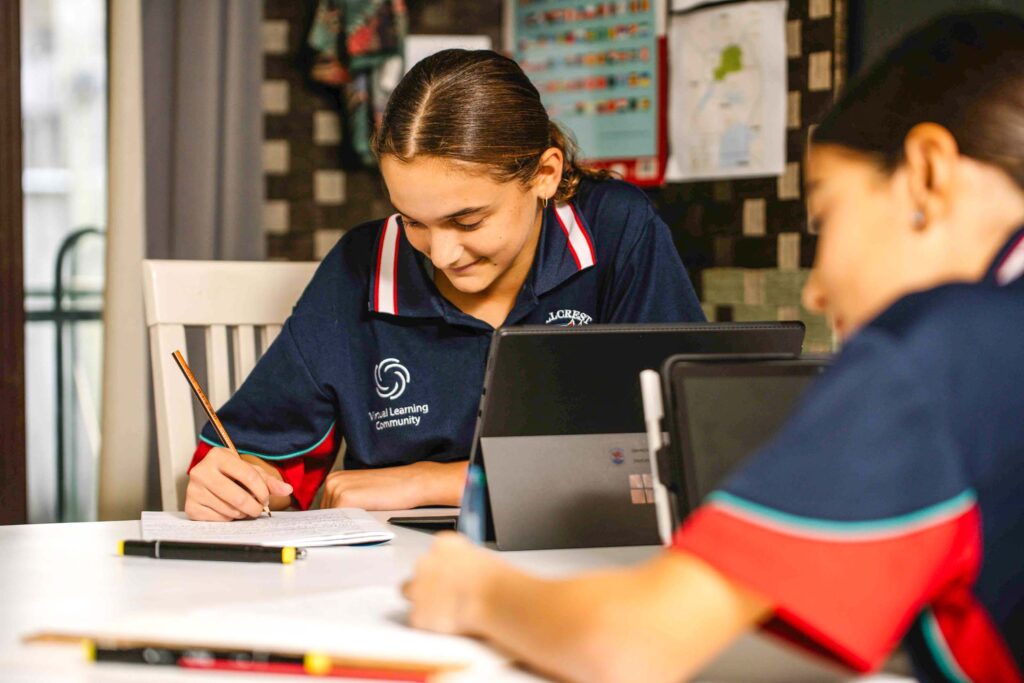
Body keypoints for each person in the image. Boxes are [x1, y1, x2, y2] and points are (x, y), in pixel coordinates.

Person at [402, 12, 1024, 683]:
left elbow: (634, 643)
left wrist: (475, 590)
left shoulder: (934, 350)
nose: (815, 290)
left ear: (928, 173)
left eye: (826, 216)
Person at [183, 49, 704, 521]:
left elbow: (682, 448)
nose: (442, 254)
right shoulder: (359, 265)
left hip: (587, 562)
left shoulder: (617, 230)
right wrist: (235, 481)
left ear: (545, 173)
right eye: (412, 220)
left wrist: (429, 481)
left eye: (469, 221)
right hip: (394, 573)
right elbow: (268, 455)